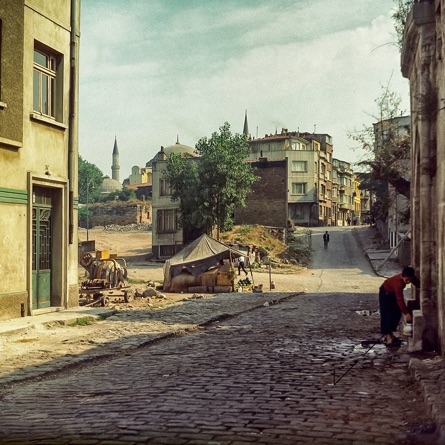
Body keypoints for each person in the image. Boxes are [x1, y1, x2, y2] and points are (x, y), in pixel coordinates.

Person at [379, 266, 419, 347]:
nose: (408, 282)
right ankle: (389, 339)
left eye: (410, 280)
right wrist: (406, 313)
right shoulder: (398, 284)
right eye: (406, 280)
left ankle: (391, 335)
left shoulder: (410, 277)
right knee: (388, 314)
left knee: (396, 313)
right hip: (385, 293)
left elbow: (418, 283)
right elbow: (400, 300)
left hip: (392, 293)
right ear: (402, 276)